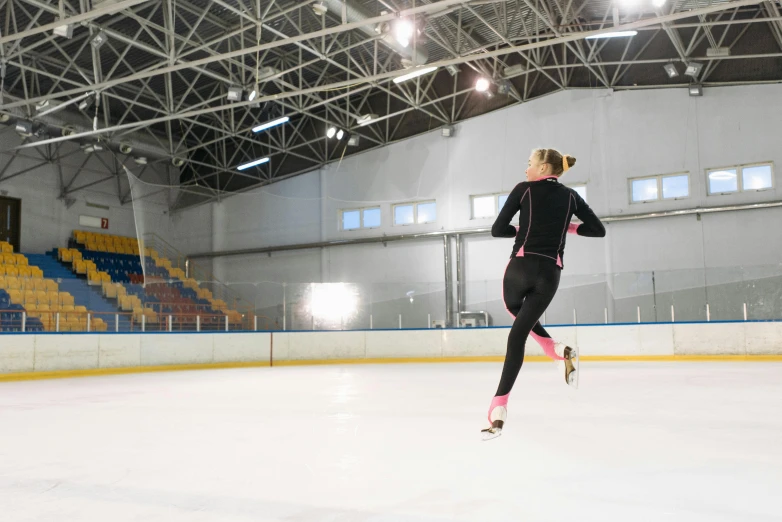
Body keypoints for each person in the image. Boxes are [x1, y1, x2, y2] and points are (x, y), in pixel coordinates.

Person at [482, 148, 606, 440]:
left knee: (515, 317)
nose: (525, 169)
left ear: (542, 168)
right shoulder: (571, 196)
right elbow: (597, 230)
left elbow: (498, 230)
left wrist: (522, 229)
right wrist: (568, 228)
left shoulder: (524, 190)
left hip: (521, 267)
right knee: (520, 329)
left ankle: (501, 405)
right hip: (551, 273)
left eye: (529, 164)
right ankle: (555, 352)